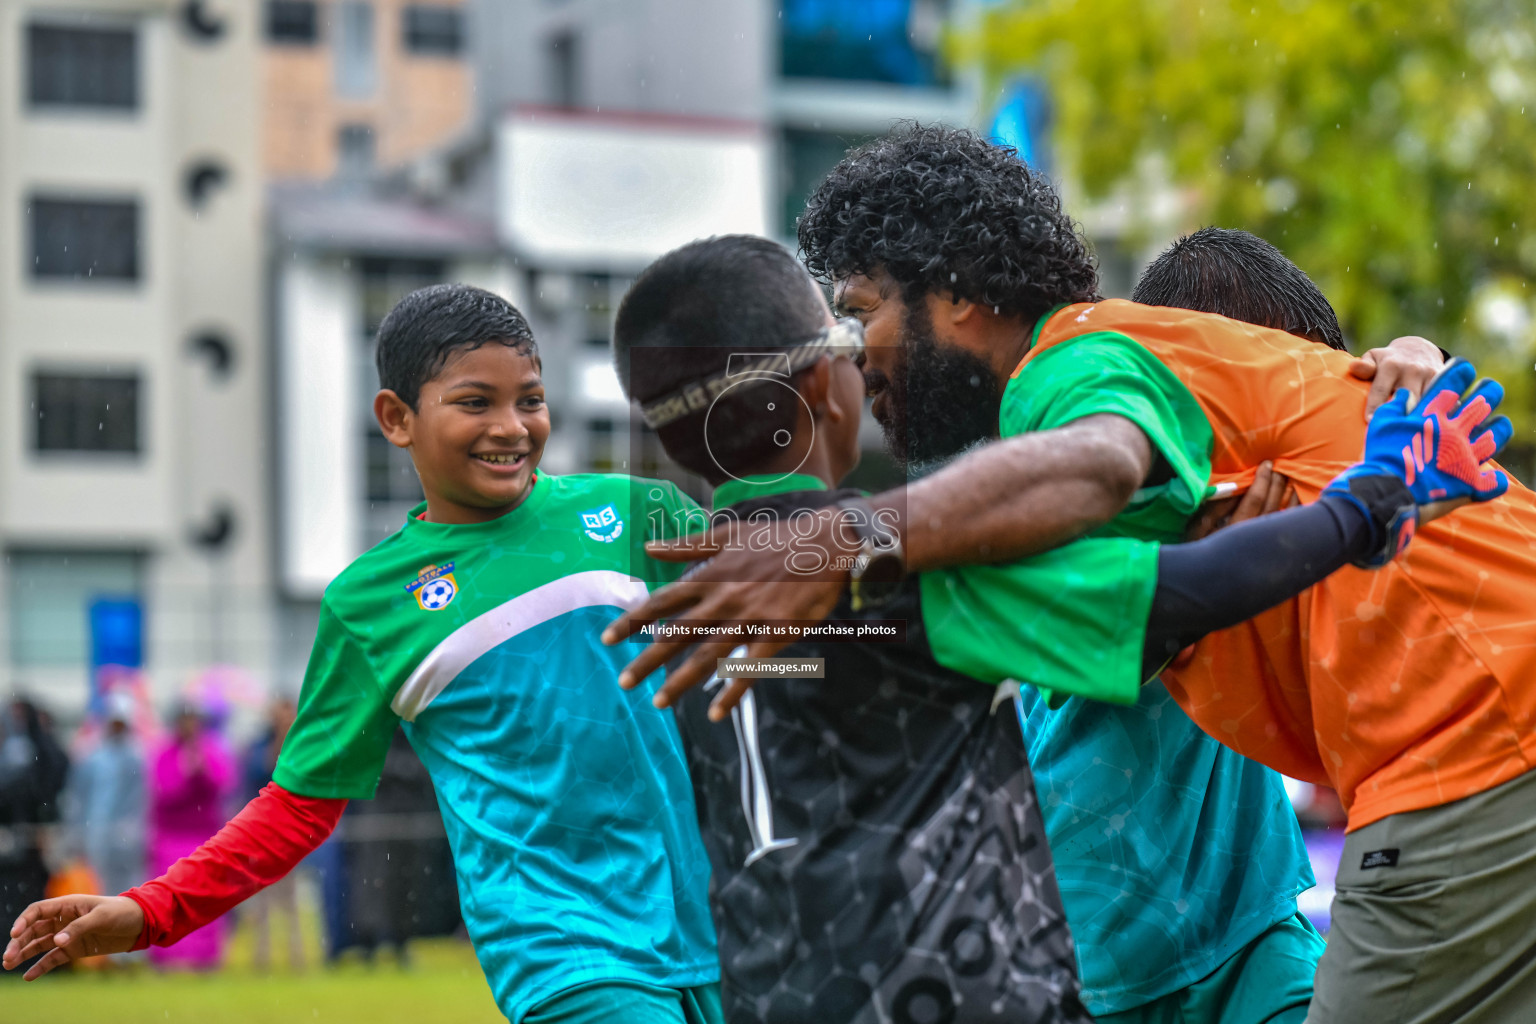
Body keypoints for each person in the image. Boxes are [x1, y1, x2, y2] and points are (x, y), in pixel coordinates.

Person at [612, 126, 1536, 1023]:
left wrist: (847, 542)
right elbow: (1156, 602)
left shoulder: (1077, 363)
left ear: (960, 293)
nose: (861, 350)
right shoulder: (1032, 475)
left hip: (1472, 745)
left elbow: (1097, 465)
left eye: (865, 310)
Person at [5, 285, 723, 1024]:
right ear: (396, 418)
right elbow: (297, 808)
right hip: (565, 953)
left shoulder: (634, 514)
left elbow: (773, 652)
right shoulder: (369, 604)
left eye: (530, 400)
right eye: (475, 402)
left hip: (719, 921)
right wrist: (150, 909)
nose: (511, 427)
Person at [148, 699, 236, 970]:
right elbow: (164, 792)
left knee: (205, 895)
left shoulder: (211, 751)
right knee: (170, 893)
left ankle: (204, 957)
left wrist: (202, 772)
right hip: (171, 835)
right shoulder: (164, 754)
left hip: (205, 835)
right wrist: (186, 774)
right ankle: (168, 955)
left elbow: (224, 784)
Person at [0, 698, 69, 979]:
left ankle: (31, 958)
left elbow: (51, 784)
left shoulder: (41, 749)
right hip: (6, 841)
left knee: (33, 903)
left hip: (33, 841)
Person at [64, 691, 146, 906]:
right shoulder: (91, 755)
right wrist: (76, 833)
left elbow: (142, 800)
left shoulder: (138, 757)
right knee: (95, 890)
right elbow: (78, 797)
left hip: (126, 839)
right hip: (95, 834)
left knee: (125, 895)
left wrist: (132, 830)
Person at [241, 696, 303, 971]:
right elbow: (260, 771)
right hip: (263, 830)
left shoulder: (303, 742)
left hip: (292, 831)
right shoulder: (259, 746)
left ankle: (295, 956)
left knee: (291, 901)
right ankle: (261, 957)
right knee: (261, 899)